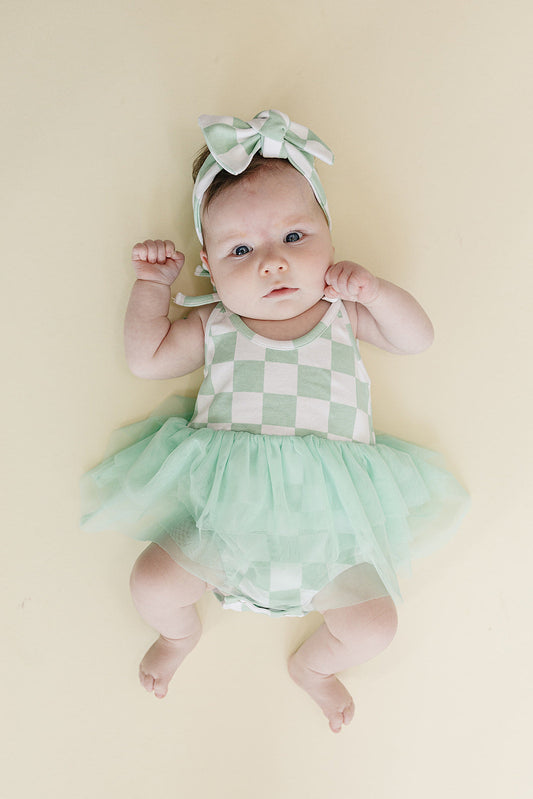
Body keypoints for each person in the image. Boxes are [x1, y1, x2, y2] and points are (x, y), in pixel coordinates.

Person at [81, 110, 469, 733]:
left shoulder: (343, 312)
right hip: (222, 521)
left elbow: (416, 338)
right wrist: (151, 285)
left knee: (375, 626)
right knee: (152, 584)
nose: (273, 263)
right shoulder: (216, 324)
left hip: (332, 529)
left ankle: (314, 667)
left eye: (294, 237)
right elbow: (146, 358)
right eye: (241, 250)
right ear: (208, 265)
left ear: (329, 238)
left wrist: (376, 293)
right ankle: (178, 634)